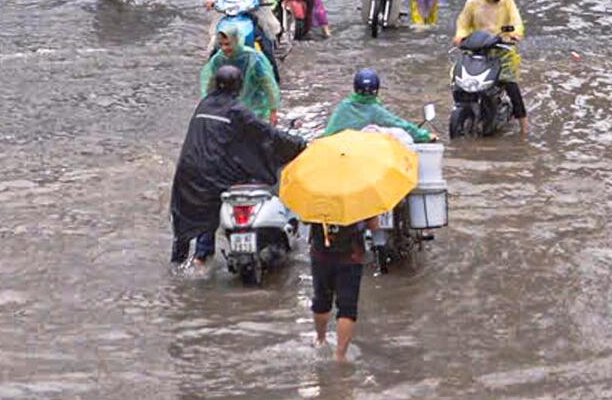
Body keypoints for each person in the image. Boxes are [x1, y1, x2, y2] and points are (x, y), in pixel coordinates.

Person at [168, 62, 305, 267]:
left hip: (186, 171)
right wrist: (298, 145)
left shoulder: (204, 104)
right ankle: (201, 258)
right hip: (214, 174)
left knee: (186, 217)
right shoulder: (236, 110)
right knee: (212, 208)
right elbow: (266, 134)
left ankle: (178, 264)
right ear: (238, 86)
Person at [454, 0, 527, 133]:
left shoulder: (507, 1)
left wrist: (514, 34)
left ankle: (524, 126)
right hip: (477, 50)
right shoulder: (472, 2)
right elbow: (463, 24)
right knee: (459, 82)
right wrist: (460, 36)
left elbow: (516, 22)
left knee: (511, 85)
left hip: (502, 49)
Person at [310, 211, 374, 364]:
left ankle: (320, 339)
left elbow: (305, 220)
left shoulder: (315, 192)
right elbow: (374, 225)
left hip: (321, 255)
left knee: (321, 300)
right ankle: (340, 355)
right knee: (347, 307)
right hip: (351, 257)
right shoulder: (359, 192)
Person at [198, 21, 281, 122]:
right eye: (221, 44)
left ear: (236, 41)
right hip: (230, 108)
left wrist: (273, 111)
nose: (224, 48)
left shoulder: (253, 58)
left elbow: (268, 84)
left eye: (228, 44)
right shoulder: (218, 59)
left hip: (255, 108)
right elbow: (211, 84)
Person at [323, 68, 434, 141]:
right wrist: (425, 136)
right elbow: (401, 126)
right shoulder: (375, 111)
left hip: (336, 151)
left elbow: (329, 133)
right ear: (376, 90)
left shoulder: (343, 106)